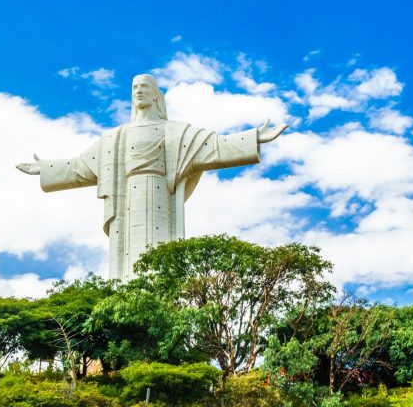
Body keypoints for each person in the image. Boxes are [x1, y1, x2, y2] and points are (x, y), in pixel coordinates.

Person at [17, 74, 287, 280]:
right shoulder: (114, 137)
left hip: (159, 193)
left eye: (144, 86)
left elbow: (214, 146)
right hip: (127, 202)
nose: (138, 91)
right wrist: (46, 168)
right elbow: (80, 167)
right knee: (127, 269)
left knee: (161, 265)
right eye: (134, 87)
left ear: (156, 95)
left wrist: (253, 138)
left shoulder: (175, 131)